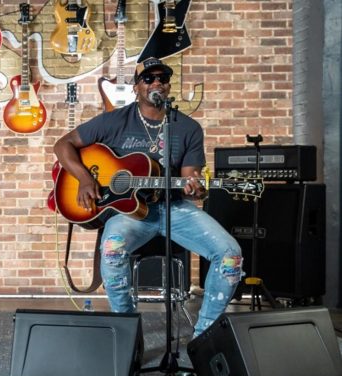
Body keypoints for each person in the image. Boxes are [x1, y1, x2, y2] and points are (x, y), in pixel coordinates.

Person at [53, 57, 243, 337]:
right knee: (112, 250)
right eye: (148, 78)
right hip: (129, 213)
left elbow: (191, 175)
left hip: (174, 208)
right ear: (136, 87)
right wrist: (84, 178)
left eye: (163, 78)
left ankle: (203, 338)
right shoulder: (114, 121)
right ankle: (128, 333)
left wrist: (195, 187)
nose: (157, 83)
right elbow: (63, 144)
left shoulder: (187, 127)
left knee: (230, 255)